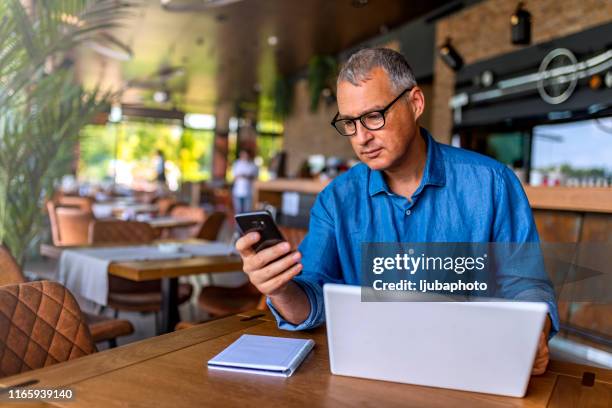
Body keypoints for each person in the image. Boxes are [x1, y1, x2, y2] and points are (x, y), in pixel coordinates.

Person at [235, 48, 559, 375]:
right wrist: (278, 289)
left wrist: (535, 334)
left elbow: (526, 284)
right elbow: (311, 302)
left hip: (468, 369)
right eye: (349, 122)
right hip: (367, 373)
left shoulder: (492, 184)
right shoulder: (336, 200)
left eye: (374, 116)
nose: (362, 138)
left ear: (415, 103)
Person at [232, 149, 259, 214]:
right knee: (238, 211)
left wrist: (246, 176)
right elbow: (234, 176)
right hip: (237, 191)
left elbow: (255, 177)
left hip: (248, 192)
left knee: (247, 211)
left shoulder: (253, 165)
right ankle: (237, 224)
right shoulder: (237, 164)